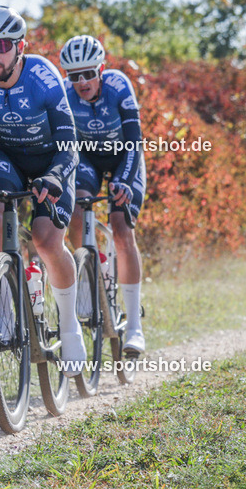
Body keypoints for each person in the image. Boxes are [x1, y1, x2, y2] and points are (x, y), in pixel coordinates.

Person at [0, 6, 86, 376]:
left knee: (46, 241)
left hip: (52, 160)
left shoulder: (44, 77)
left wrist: (56, 176)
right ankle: (5, 311)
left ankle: (69, 324)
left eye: (2, 46)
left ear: (20, 47)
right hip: (6, 156)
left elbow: (69, 144)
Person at [59, 34, 145, 355]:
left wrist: (124, 181)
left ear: (101, 70)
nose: (82, 82)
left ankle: (134, 326)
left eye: (88, 74)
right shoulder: (65, 94)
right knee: (77, 211)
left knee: (121, 228)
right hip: (89, 160)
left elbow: (134, 141)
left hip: (124, 157)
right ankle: (90, 275)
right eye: (74, 76)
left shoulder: (118, 86)